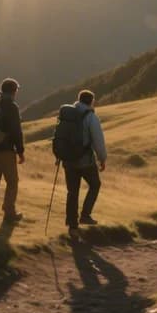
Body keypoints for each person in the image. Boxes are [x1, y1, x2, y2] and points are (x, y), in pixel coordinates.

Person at [64, 89, 107, 238]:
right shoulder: (90, 116)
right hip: (84, 161)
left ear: (79, 100)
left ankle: (72, 228)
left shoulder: (67, 114)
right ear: (91, 101)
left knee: (72, 192)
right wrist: (102, 159)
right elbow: (98, 141)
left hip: (68, 160)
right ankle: (85, 215)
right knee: (95, 184)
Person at [0, 78, 25, 222]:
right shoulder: (12, 107)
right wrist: (20, 151)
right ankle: (9, 212)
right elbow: (16, 131)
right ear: (14, 91)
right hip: (5, 150)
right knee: (12, 181)